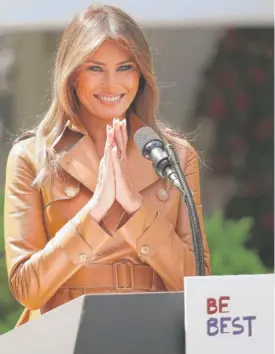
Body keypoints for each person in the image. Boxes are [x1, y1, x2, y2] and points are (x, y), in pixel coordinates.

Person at [4, 4, 210, 327]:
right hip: (63, 334)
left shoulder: (176, 157)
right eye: (95, 69)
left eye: (125, 67)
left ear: (142, 74)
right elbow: (27, 288)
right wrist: (94, 214)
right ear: (72, 75)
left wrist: (135, 212)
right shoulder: (32, 156)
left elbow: (199, 283)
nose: (112, 85)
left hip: (153, 331)